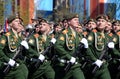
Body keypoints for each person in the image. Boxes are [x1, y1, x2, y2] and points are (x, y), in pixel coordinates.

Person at [54, 13, 86, 79]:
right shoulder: (64, 33)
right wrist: (69, 57)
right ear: (69, 22)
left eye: (78, 20)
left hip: (75, 65)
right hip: (65, 65)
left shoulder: (79, 35)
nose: (77, 21)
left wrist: (86, 46)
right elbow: (57, 46)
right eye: (75, 20)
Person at [85, 14, 112, 79]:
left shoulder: (107, 36)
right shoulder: (93, 33)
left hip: (104, 66)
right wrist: (95, 60)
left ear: (106, 23)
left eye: (102, 21)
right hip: (94, 65)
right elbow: (87, 48)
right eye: (98, 21)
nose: (100, 23)